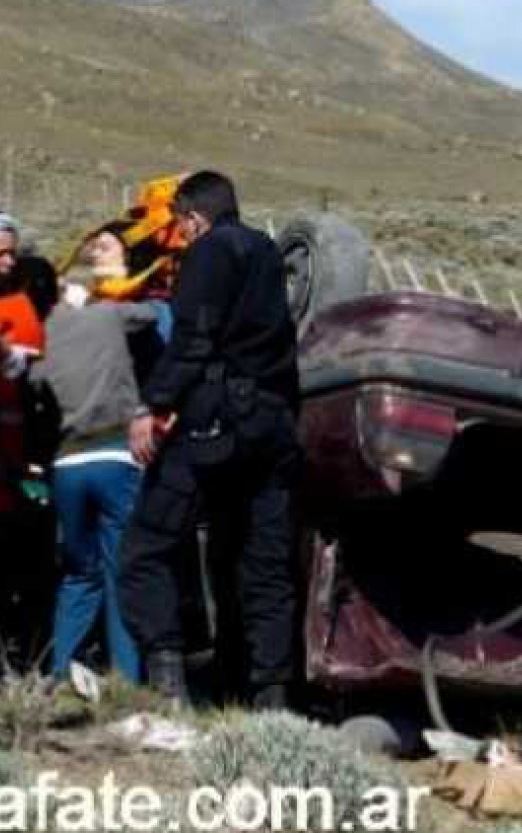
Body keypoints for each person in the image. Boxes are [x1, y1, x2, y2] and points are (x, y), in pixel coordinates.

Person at [118, 171, 301, 708]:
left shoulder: (209, 252)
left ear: (193, 217)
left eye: (180, 224)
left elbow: (194, 340)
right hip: (271, 428)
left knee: (147, 547)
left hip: (212, 424)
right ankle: (269, 698)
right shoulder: (268, 253)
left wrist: (154, 406)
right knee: (261, 562)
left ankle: (169, 688)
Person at [34, 272, 158, 682]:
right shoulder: (105, 316)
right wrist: (95, 299)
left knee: (78, 573)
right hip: (115, 456)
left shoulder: (39, 340)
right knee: (119, 568)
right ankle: (128, 676)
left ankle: (60, 674)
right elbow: (150, 316)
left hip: (66, 465)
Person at [0, 214, 57, 676]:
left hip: (25, 456)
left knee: (25, 561)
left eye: (11, 254)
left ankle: (19, 656)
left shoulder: (15, 308)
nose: (6, 263)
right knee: (0, 565)